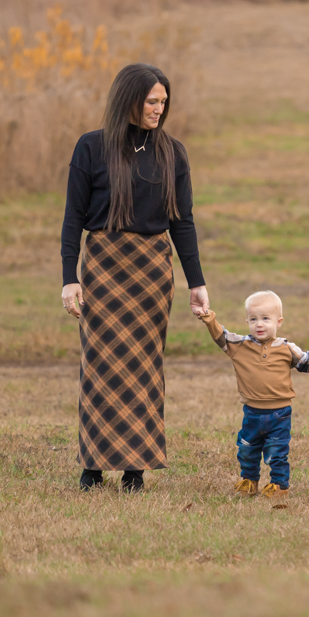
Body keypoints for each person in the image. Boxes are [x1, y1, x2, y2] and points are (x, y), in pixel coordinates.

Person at [60, 63, 210, 493]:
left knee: (145, 366)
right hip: (103, 264)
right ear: (129, 100)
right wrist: (70, 278)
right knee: (100, 364)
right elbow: (73, 218)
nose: (159, 109)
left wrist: (195, 281)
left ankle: (134, 469)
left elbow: (183, 221)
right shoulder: (91, 148)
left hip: (151, 270)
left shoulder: (173, 152)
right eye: (151, 101)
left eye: (163, 102)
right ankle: (93, 464)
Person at [198, 290, 309, 500]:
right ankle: (250, 481)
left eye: (265, 319)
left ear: (279, 322)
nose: (259, 324)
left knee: (276, 453)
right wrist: (208, 317)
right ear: (247, 321)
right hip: (251, 412)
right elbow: (220, 334)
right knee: (247, 450)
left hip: (279, 413)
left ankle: (279, 486)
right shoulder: (240, 346)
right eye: (253, 319)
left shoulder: (287, 348)